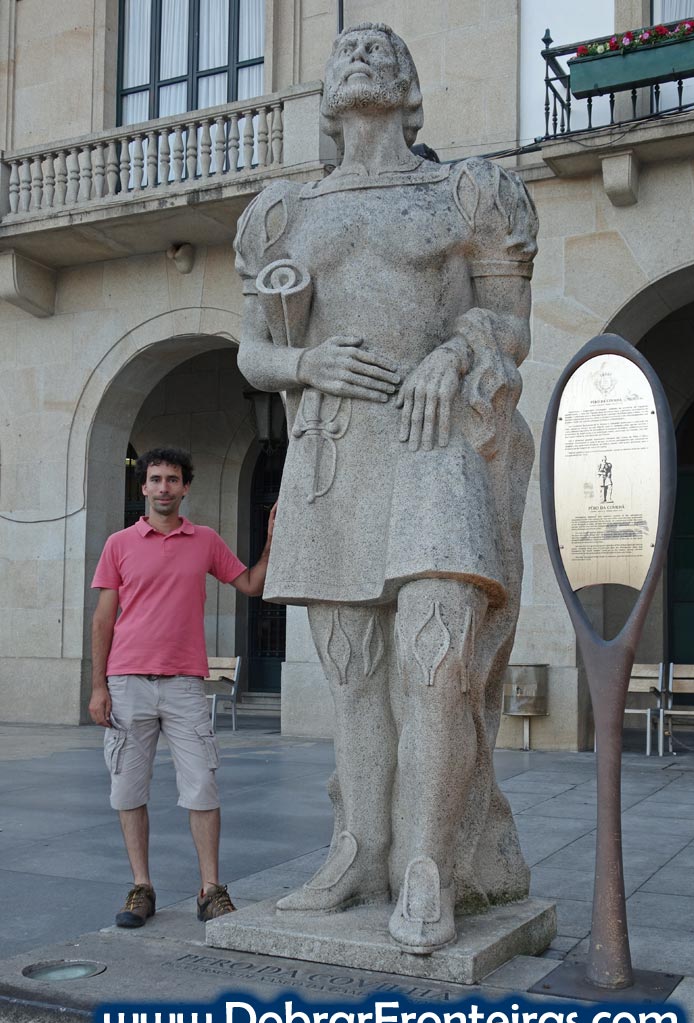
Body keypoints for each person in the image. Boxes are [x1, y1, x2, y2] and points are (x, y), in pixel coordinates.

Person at [235, 23, 537, 953]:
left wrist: (457, 351)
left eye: (384, 50)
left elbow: (510, 324)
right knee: (355, 678)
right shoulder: (284, 213)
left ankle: (429, 864)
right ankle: (360, 849)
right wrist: (304, 361)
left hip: (434, 443)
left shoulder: (465, 192)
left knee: (437, 668)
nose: (364, 53)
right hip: (335, 453)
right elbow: (252, 350)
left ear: (411, 90)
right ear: (329, 92)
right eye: (349, 50)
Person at [89, 447, 275, 928]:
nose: (164, 487)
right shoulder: (119, 544)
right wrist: (98, 687)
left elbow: (251, 585)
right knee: (127, 789)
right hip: (127, 682)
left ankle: (211, 890)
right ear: (143, 487)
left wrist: (273, 541)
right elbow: (103, 620)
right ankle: (141, 887)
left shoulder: (205, 540)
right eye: (155, 479)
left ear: (186, 487)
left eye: (173, 479)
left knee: (203, 787)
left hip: (185, 685)